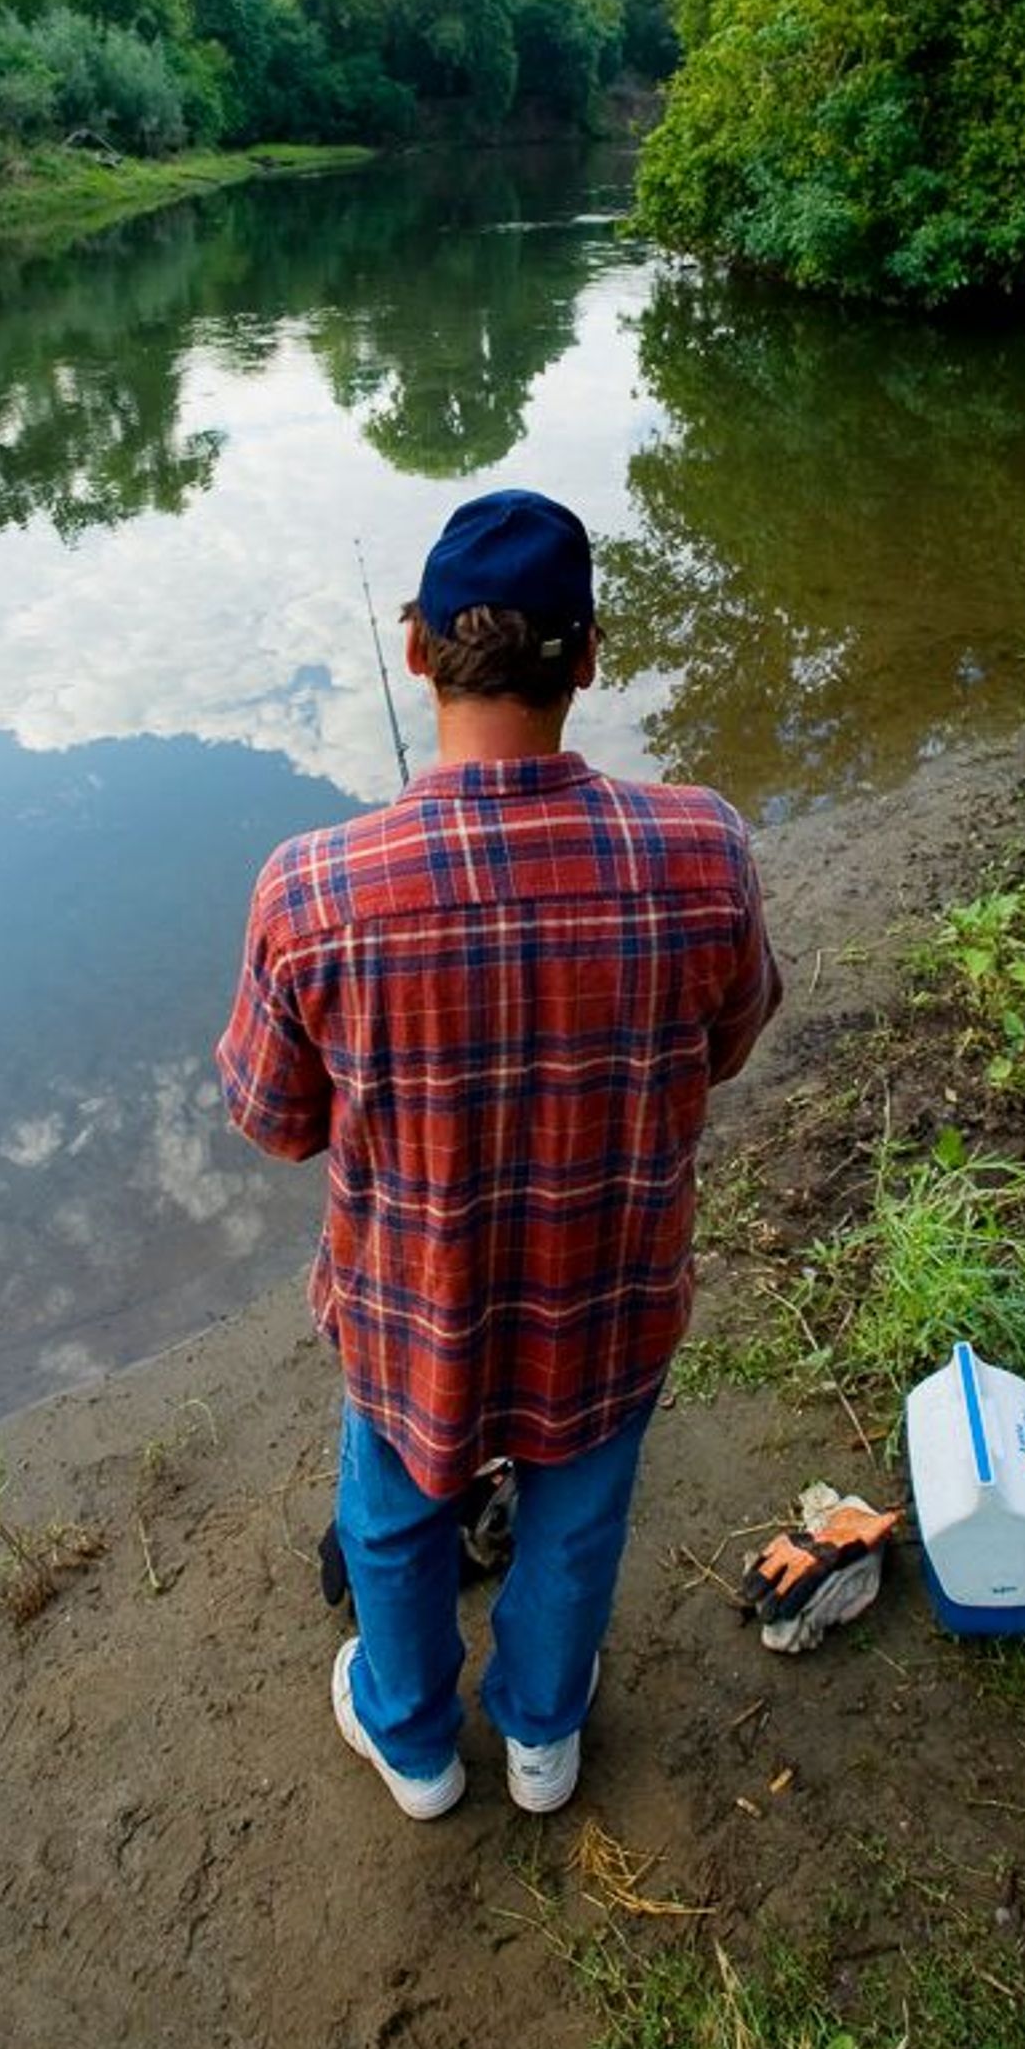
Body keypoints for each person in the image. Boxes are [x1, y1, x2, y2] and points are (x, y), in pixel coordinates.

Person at [216, 489, 781, 1820]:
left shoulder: (310, 886)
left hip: (413, 1318)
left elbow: (278, 1120)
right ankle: (541, 1736)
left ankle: (413, 1746)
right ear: (586, 660)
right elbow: (729, 1043)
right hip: (611, 1302)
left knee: (397, 1525)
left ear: (417, 652)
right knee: (577, 1525)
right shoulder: (706, 848)